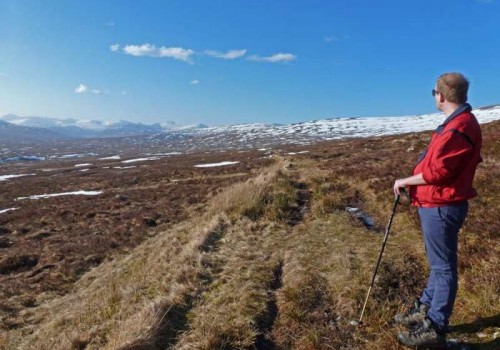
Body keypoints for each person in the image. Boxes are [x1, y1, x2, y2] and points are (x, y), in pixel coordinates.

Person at [392, 72, 483, 348]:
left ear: (441, 96)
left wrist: (405, 181)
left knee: (443, 268)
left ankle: (435, 326)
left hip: (442, 205)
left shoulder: (460, 126)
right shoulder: (456, 123)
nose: (434, 96)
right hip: (436, 203)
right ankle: (425, 309)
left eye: (434, 92)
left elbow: (439, 171)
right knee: (439, 264)